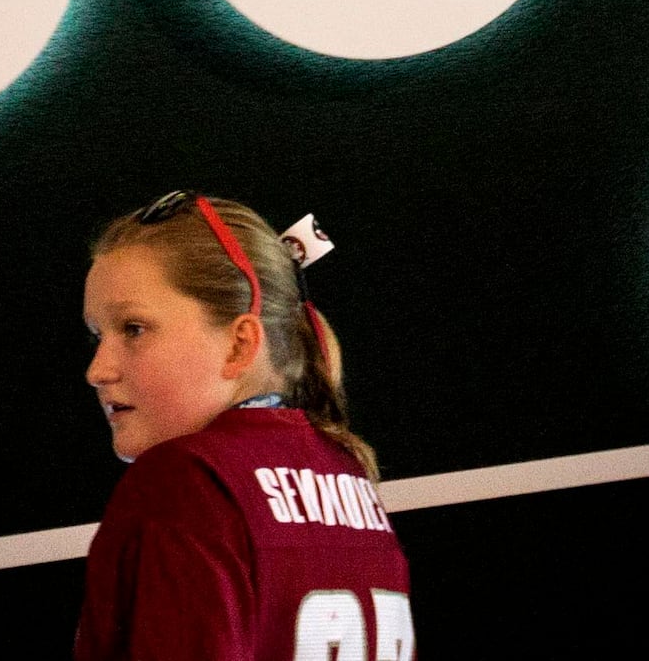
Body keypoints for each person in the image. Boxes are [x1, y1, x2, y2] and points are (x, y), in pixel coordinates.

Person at [76, 190, 414, 659]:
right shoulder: (348, 474)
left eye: (133, 329)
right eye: (97, 335)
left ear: (239, 345)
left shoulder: (182, 481)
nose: (98, 369)